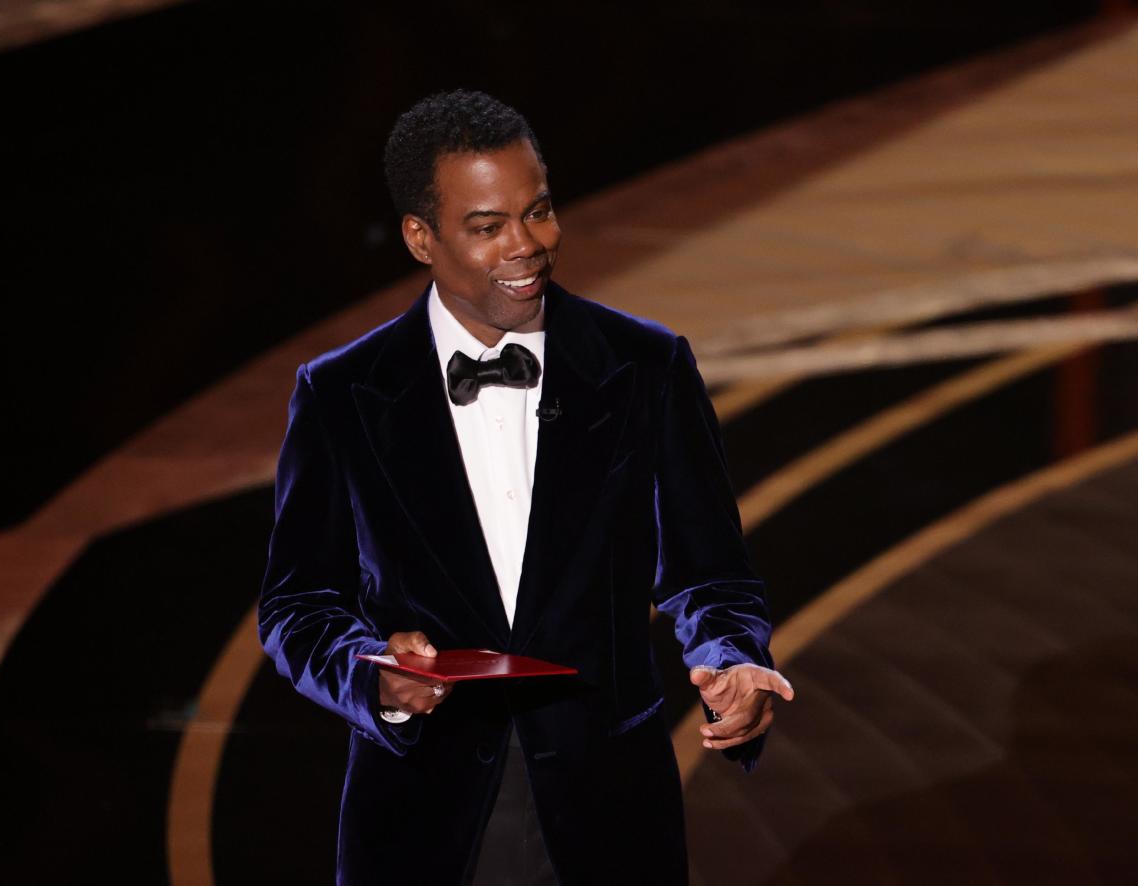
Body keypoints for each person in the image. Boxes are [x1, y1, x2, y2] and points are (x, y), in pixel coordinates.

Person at [259, 89, 794, 885]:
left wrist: (735, 659)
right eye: (487, 227)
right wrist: (375, 677)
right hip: (418, 817)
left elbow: (708, 570)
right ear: (420, 236)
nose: (528, 245)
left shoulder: (645, 366)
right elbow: (296, 606)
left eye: (538, 212)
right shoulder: (341, 395)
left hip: (608, 816)